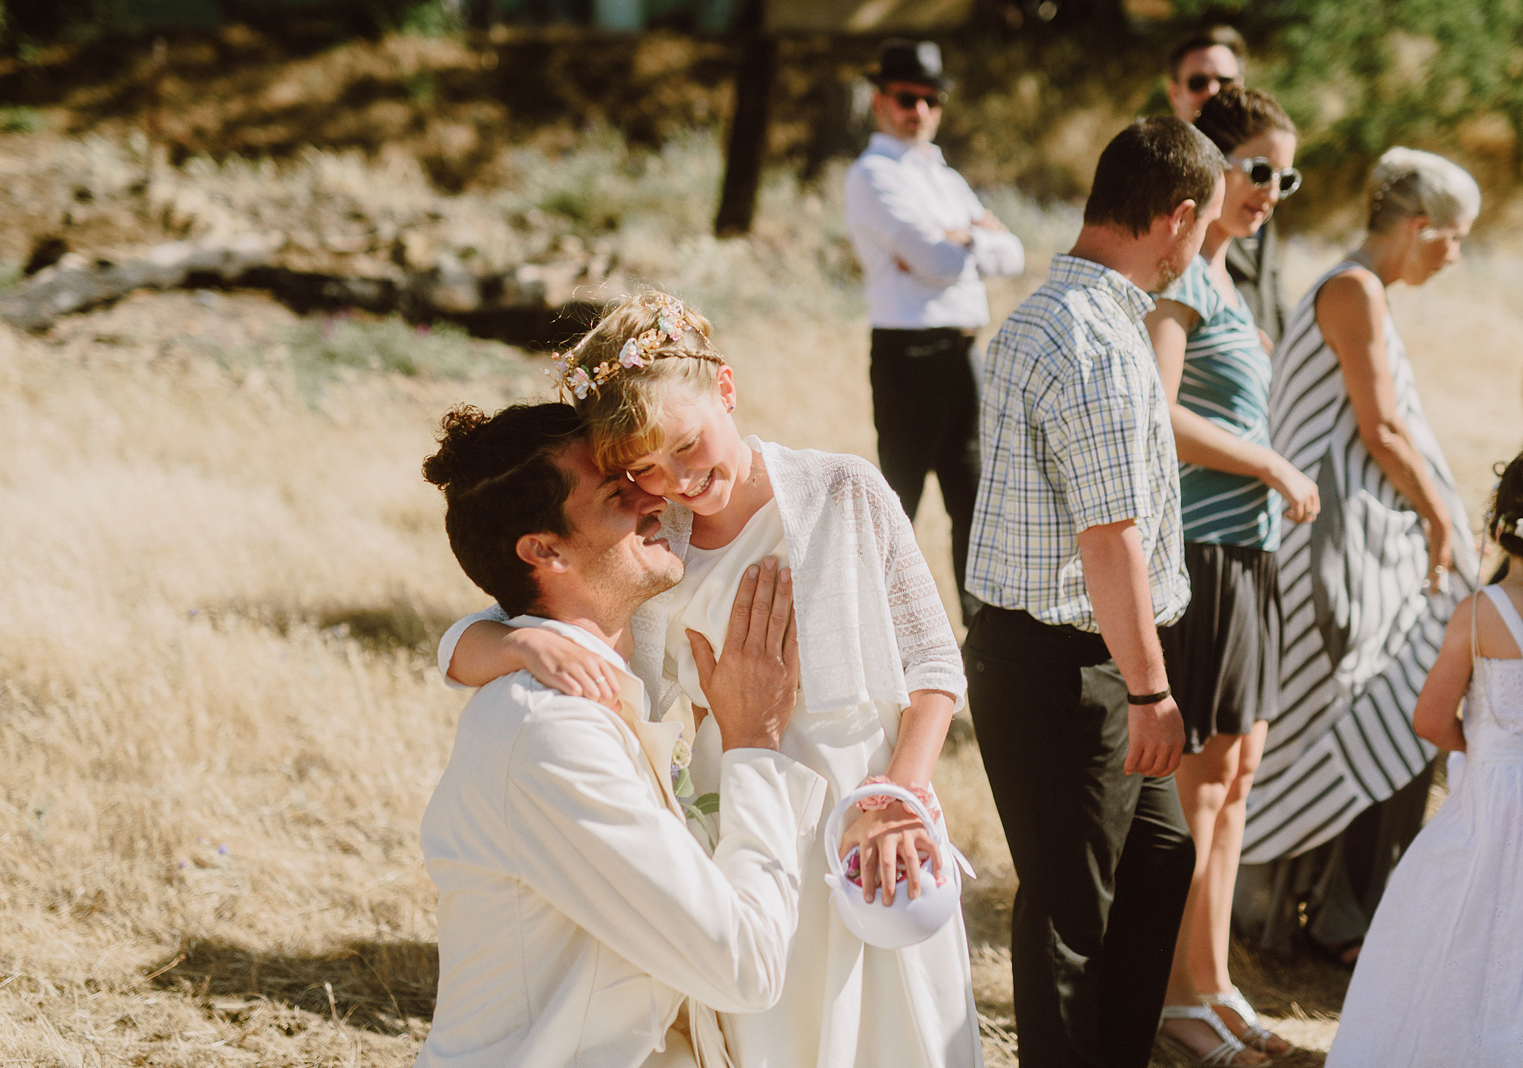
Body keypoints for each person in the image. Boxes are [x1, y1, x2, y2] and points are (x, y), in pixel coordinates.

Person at [438, 292, 982, 1068]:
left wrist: (899, 791)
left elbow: (933, 660)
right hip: (739, 806)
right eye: (642, 469)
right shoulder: (663, 537)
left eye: (687, 445)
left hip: (869, 802)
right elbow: (490, 625)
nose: (675, 481)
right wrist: (514, 649)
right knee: (778, 1010)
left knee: (891, 1026)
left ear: (725, 389)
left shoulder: (841, 491)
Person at [413, 401, 827, 1068]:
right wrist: (754, 741)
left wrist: (492, 638)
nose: (654, 498)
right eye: (617, 494)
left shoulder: (600, 670)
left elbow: (501, 612)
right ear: (544, 551)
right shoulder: (553, 732)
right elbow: (744, 967)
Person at [964, 116, 1226, 1068]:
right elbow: (1109, 539)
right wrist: (1150, 688)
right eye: (1202, 233)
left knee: (1159, 858)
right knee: (1072, 910)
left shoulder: (1048, 312)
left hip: (1075, 654)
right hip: (1071, 666)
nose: (1195, 255)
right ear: (1179, 215)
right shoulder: (1099, 345)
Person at [1236, 147, 1481, 961]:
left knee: (1385, 714)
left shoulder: (1356, 287)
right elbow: (1379, 430)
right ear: (1419, 228)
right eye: (1455, 236)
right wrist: (1444, 521)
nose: (1457, 253)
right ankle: (1340, 920)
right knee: (1400, 710)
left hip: (1357, 546)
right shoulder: (1354, 290)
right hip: (1335, 553)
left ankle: (1337, 912)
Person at [1144, 88, 1316, 1067]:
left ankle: (1211, 988)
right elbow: (1157, 416)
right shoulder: (1178, 282)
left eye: (1284, 177)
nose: (1270, 192)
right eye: (1257, 170)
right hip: (1202, 557)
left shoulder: (1229, 277)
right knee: (1203, 786)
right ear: (1207, 165)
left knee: (1238, 772)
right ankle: (1178, 1008)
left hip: (1247, 557)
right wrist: (1269, 463)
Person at [1325, 452, 1523, 1067]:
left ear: (1498, 528)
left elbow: (1431, 719)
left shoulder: (1480, 614)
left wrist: (1483, 752)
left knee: (1460, 930)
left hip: (1491, 801)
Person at [845, 38, 1026, 625]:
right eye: (906, 97)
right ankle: (882, 651)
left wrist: (958, 238)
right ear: (880, 102)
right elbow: (939, 262)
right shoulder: (872, 175)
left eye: (931, 98)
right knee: (897, 509)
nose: (918, 110)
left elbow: (1013, 255)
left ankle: (986, 659)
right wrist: (972, 235)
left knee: (976, 510)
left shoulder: (943, 175)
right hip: (910, 353)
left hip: (965, 351)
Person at [1164, 26, 1287, 346]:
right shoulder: (1156, 182)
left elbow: (1269, 283)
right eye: (1198, 83)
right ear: (1175, 93)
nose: (1214, 91)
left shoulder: (1263, 173)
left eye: (1226, 81)